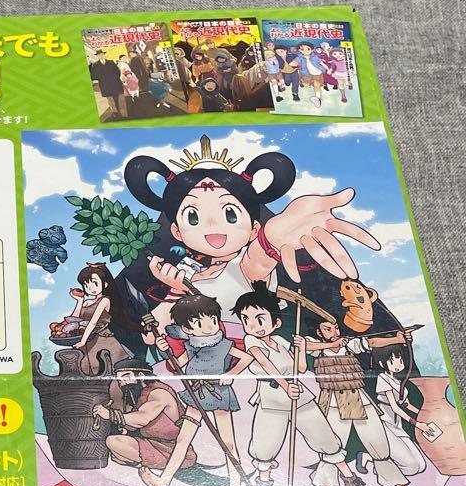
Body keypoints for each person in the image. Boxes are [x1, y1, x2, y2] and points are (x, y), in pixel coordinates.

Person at [122, 134, 381, 337]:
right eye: (193, 217)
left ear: (254, 229)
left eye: (230, 214)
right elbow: (157, 330)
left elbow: (255, 264)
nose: (212, 225)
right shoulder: (184, 271)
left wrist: (272, 240)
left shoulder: (243, 264)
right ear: (176, 231)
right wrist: (174, 291)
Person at [232, 284, 363, 486]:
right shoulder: (251, 340)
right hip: (272, 398)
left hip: (299, 396)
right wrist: (286, 386)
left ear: (276, 323)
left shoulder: (280, 341)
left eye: (260, 319)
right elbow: (265, 364)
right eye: (246, 320)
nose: (252, 325)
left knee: (324, 436)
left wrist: (301, 349)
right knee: (265, 445)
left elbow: (299, 368)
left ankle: (350, 480)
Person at [139, 293, 254, 486]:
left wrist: (230, 374)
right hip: (197, 394)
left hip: (219, 395)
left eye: (213, 320)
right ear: (187, 329)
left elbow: (246, 358)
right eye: (200, 323)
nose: (209, 326)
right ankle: (163, 483)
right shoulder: (191, 345)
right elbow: (178, 365)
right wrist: (163, 349)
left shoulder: (223, 344)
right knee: (183, 440)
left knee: (227, 443)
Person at [303, 319, 419, 486]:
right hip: (333, 400)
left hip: (358, 397)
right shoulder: (317, 348)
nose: (334, 332)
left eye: (336, 328)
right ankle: (325, 485)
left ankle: (393, 480)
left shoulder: (348, 345)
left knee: (377, 439)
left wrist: (397, 339)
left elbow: (371, 342)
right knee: (332, 444)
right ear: (319, 333)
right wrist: (332, 344)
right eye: (327, 329)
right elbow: (305, 345)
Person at [91, 358, 197, 475]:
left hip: (175, 450)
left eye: (126, 377)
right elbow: (136, 424)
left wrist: (110, 415)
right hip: (152, 444)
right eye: (119, 380)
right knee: (116, 450)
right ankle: (146, 462)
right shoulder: (142, 395)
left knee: (113, 442)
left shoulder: (159, 392)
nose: (123, 383)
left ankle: (160, 464)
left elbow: (143, 418)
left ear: (141, 376)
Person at [365, 346, 434, 478]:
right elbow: (395, 407)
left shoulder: (398, 381)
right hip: (385, 425)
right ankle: (371, 459)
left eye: (400, 360)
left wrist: (426, 414)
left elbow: (407, 405)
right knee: (412, 467)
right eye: (392, 361)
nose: (398, 364)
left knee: (421, 466)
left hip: (397, 425)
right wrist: (416, 423)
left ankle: (383, 466)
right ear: (382, 364)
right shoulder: (383, 378)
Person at [70, 262, 135, 377]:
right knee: (88, 373)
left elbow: (93, 322)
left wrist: (83, 341)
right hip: (86, 339)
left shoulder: (104, 300)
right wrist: (79, 301)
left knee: (109, 369)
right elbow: (74, 320)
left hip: (102, 339)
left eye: (94, 283)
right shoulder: (87, 302)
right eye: (86, 285)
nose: (90, 288)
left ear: (104, 284)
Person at [88, 50, 124, 119]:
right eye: (99, 55)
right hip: (104, 85)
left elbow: (117, 71)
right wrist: (101, 77)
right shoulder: (95, 65)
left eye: (102, 54)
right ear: (97, 56)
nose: (101, 56)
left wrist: (115, 79)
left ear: (104, 55)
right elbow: (93, 76)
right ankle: (115, 112)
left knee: (116, 97)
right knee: (110, 99)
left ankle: (118, 109)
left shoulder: (111, 62)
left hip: (114, 84)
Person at [296, 41, 326, 106]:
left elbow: (322, 63)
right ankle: (318, 99)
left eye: (308, 49)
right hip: (307, 74)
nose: (305, 51)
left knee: (316, 85)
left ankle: (318, 99)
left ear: (312, 50)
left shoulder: (314, 57)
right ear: (300, 50)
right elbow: (295, 62)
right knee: (306, 84)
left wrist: (329, 69)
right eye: (302, 49)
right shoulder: (299, 57)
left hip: (317, 74)